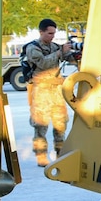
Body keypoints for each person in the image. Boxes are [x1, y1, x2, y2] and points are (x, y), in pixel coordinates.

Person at [21, 17, 71, 165]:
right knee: (40, 125)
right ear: (41, 32)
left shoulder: (55, 47)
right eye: (49, 33)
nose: (52, 36)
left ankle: (60, 153)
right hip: (41, 90)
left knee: (60, 124)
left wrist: (73, 52)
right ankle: (41, 156)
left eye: (54, 33)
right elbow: (43, 63)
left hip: (56, 90)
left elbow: (68, 57)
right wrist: (59, 52)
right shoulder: (33, 48)